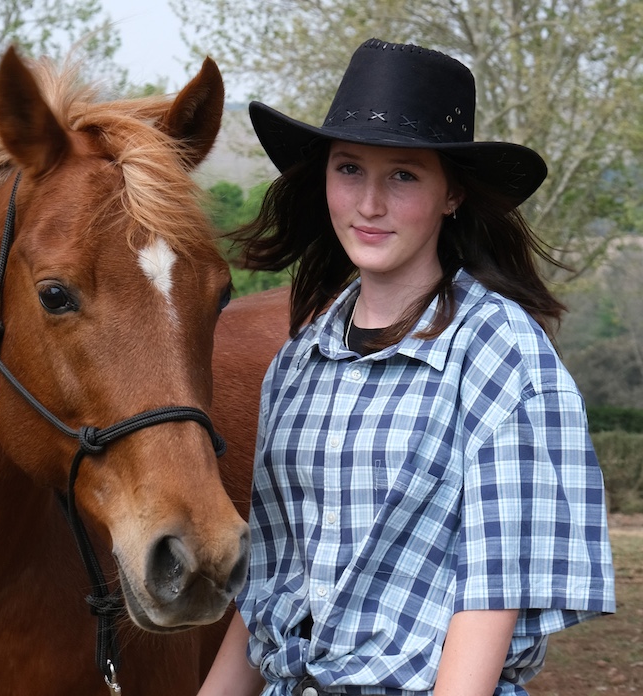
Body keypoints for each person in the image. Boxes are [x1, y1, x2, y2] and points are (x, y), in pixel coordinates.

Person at [198, 38, 615, 696]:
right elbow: (272, 591)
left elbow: (490, 595)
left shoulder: (500, 353)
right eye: (349, 169)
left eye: (403, 175)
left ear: (452, 195)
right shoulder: (297, 365)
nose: (368, 203)